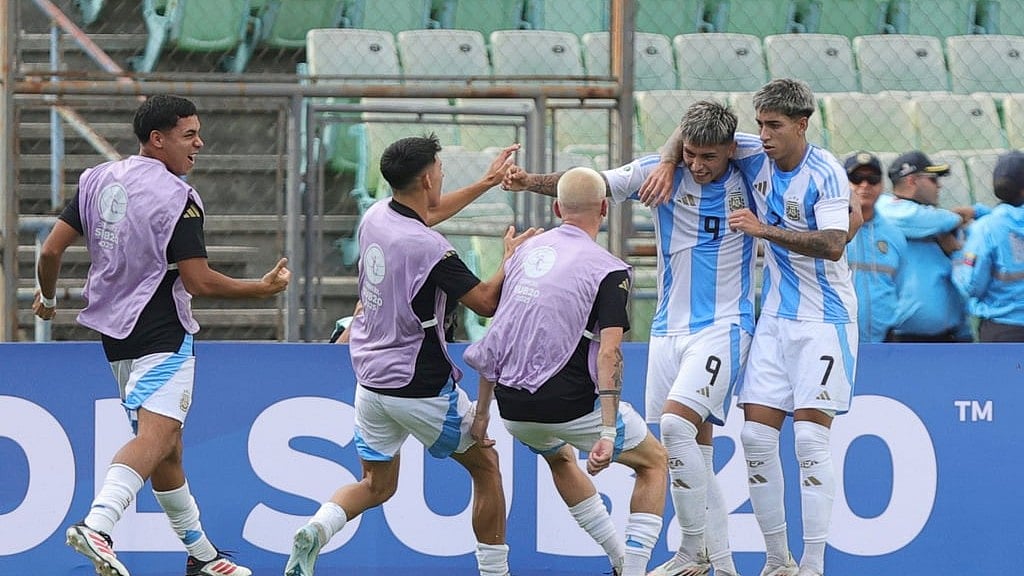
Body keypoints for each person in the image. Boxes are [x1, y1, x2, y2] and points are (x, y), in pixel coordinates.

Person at [33, 94, 290, 576]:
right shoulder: (179, 198)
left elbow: (49, 252)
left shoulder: (94, 179)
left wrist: (47, 299)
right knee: (158, 436)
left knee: (168, 450)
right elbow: (198, 281)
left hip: (115, 335)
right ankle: (98, 526)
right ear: (158, 140)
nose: (200, 143)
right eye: (189, 135)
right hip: (162, 332)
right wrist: (262, 286)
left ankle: (203, 557)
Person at [502, 100, 757, 576]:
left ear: (729, 150)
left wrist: (670, 151)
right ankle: (697, 558)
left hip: (724, 324)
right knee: (691, 448)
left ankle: (715, 562)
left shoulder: (751, 165)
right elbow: (588, 187)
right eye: (690, 155)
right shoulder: (659, 173)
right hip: (666, 328)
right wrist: (529, 180)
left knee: (677, 430)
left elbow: (790, 152)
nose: (697, 166)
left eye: (709, 158)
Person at [283, 134, 538, 576]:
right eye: (439, 168)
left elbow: (429, 212)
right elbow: (486, 303)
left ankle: (316, 531)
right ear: (426, 177)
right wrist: (510, 260)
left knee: (375, 484)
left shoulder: (375, 216)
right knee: (487, 467)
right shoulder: (431, 250)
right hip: (418, 384)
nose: (441, 173)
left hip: (370, 381)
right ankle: (496, 573)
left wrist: (487, 182)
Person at [655, 79, 857, 576]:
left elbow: (834, 243)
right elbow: (687, 134)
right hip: (775, 317)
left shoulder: (826, 172)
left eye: (774, 126)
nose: (763, 135)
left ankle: (812, 564)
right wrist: (665, 161)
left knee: (809, 442)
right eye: (761, 124)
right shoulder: (751, 153)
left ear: (802, 124)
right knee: (756, 440)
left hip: (825, 319)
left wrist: (763, 229)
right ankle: (777, 562)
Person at [466, 166, 667, 576]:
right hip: (570, 404)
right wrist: (608, 434)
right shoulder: (609, 270)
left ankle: (618, 559)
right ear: (605, 209)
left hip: (513, 409)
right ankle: (635, 570)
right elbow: (609, 356)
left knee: (560, 457)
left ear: (557, 207)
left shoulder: (522, 252)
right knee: (654, 463)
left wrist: (483, 414)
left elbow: (499, 331)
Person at [875, 150, 979, 342]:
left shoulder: (938, 222)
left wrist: (975, 211)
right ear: (912, 180)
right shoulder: (885, 209)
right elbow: (911, 217)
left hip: (953, 334)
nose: (939, 186)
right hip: (906, 337)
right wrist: (955, 218)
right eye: (933, 179)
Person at [953, 150, 1024, 342]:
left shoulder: (987, 228)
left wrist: (956, 256)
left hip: (1003, 328)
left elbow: (972, 286)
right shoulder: (989, 222)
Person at [842, 152, 910, 343]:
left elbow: (900, 284)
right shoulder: (831, 228)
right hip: (839, 337)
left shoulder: (894, 234)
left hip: (884, 339)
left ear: (881, 185)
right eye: (856, 178)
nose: (865, 185)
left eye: (872, 179)